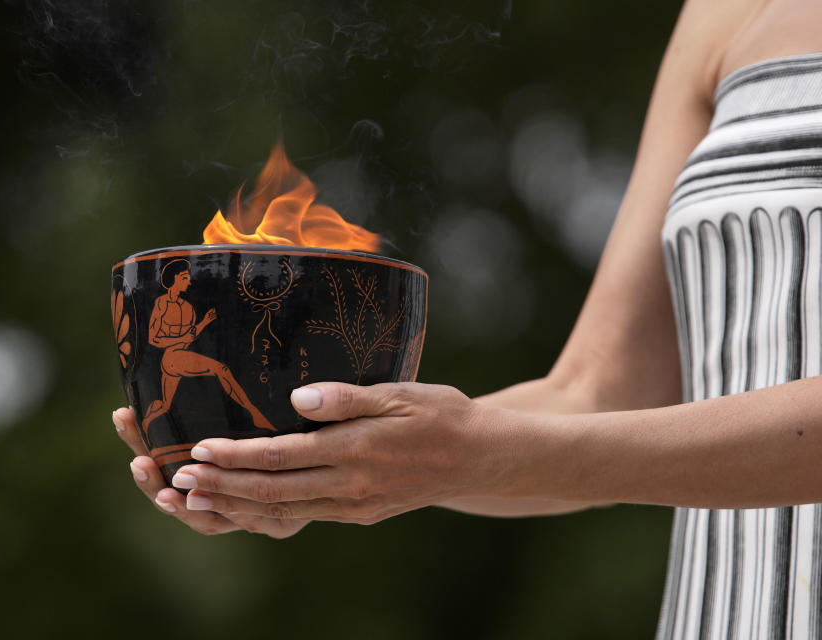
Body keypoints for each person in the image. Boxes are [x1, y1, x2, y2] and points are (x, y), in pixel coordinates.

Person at [112, 0, 822, 636]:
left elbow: (532, 445)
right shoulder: (723, 12)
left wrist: (482, 454)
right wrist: (340, 468)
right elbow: (593, 396)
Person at [141, 258, 275, 435]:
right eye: (184, 277)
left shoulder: (188, 308)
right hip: (171, 357)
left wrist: (204, 322)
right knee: (222, 369)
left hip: (179, 357)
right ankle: (254, 413)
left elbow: (189, 338)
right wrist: (181, 337)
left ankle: (145, 424)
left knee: (165, 406)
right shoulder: (162, 303)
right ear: (173, 278)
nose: (189, 282)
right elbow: (153, 339)